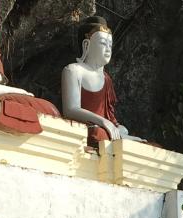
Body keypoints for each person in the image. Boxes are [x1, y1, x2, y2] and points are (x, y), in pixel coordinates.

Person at [60, 16, 145, 146]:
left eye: (110, 44)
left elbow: (110, 117)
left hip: (104, 129)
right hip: (87, 129)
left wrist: (116, 127)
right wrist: (103, 122)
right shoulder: (73, 70)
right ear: (86, 44)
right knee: (98, 132)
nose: (108, 49)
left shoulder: (107, 79)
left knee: (124, 131)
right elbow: (70, 109)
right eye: (103, 43)